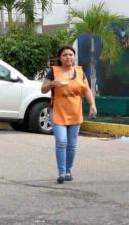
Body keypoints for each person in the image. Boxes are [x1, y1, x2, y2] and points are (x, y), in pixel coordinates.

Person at [40, 46, 97, 184]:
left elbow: (87, 90)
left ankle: (69, 169)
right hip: (58, 111)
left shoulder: (80, 71)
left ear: (74, 57)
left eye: (71, 55)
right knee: (61, 142)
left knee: (72, 144)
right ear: (60, 58)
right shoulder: (53, 72)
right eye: (65, 55)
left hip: (75, 111)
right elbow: (43, 89)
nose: (68, 57)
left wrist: (92, 105)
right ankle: (62, 172)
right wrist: (53, 83)